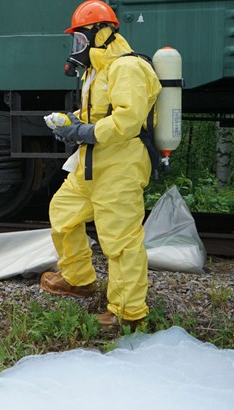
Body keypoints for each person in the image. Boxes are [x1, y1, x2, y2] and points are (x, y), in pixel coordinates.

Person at [40, 1, 162, 329]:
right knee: (62, 216)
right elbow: (96, 117)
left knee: (121, 242)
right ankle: (78, 280)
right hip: (90, 164)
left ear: (100, 32)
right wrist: (70, 122)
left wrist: (84, 131)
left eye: (80, 38)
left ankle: (127, 313)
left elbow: (128, 119)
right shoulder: (96, 72)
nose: (77, 47)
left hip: (120, 166)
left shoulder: (127, 68)